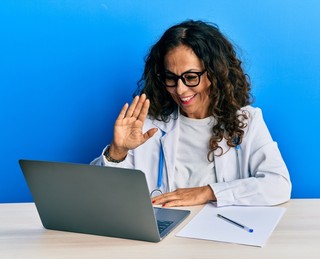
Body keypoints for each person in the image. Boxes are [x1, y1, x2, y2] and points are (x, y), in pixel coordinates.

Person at [91, 20, 291, 207]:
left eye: (191, 77)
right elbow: (100, 195)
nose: (180, 90)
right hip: (165, 238)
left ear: (216, 73)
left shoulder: (247, 121)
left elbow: (278, 185)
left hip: (223, 235)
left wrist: (207, 192)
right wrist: (117, 152)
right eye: (171, 77)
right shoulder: (146, 126)